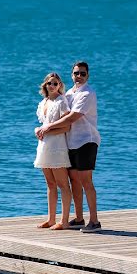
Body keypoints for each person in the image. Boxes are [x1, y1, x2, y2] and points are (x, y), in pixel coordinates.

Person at [36, 61, 101, 232]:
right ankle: (79, 218)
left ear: (87, 75)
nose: (79, 76)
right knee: (74, 181)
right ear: (72, 75)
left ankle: (94, 221)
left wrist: (48, 127)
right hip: (70, 142)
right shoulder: (70, 93)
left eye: (82, 73)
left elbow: (72, 118)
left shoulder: (88, 93)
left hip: (86, 140)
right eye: (76, 73)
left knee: (86, 181)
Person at [32, 72, 73, 230]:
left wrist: (46, 131)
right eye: (50, 83)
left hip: (57, 146)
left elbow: (66, 126)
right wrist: (39, 131)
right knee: (50, 184)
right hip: (44, 146)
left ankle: (64, 221)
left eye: (56, 83)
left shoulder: (61, 102)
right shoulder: (43, 103)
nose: (53, 86)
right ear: (46, 85)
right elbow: (44, 124)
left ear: (60, 85)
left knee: (63, 184)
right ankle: (50, 219)